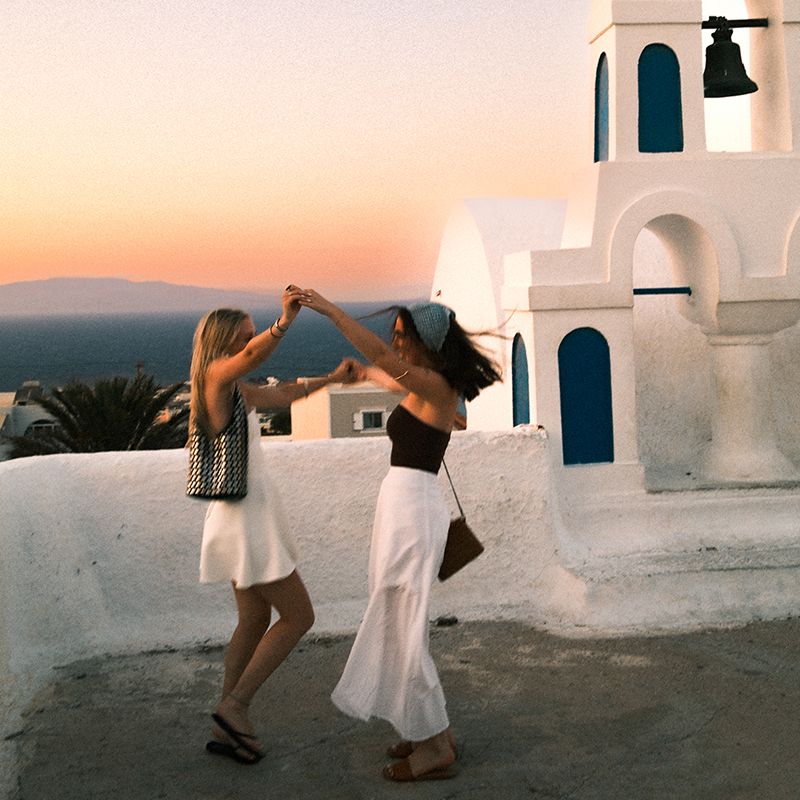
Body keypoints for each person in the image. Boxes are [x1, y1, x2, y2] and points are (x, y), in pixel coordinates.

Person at [298, 290, 501, 782]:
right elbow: (387, 374)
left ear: (425, 341)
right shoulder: (425, 386)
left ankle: (434, 747)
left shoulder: (435, 385)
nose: (396, 343)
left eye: (403, 336)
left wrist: (333, 311)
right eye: (394, 336)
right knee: (398, 622)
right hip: (401, 508)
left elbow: (385, 362)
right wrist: (364, 374)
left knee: (403, 628)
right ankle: (429, 731)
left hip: (413, 514)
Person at [188, 286, 358, 765]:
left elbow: (281, 394)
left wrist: (331, 379)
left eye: (252, 334)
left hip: (241, 518)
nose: (250, 343)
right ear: (223, 342)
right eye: (243, 337)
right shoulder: (215, 376)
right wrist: (285, 321)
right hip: (246, 522)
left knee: (253, 619)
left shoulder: (234, 387)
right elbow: (254, 356)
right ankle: (236, 707)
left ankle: (226, 722)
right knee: (300, 617)